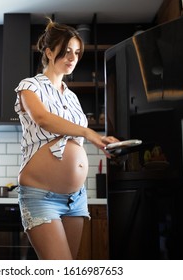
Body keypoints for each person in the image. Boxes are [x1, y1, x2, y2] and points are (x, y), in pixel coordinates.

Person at [14, 18, 119, 260]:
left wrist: (102, 143)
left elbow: (76, 143)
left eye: (76, 52)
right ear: (49, 52)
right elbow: (42, 118)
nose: (72, 57)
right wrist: (90, 133)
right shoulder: (29, 86)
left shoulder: (72, 97)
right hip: (41, 196)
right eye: (66, 51)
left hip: (76, 197)